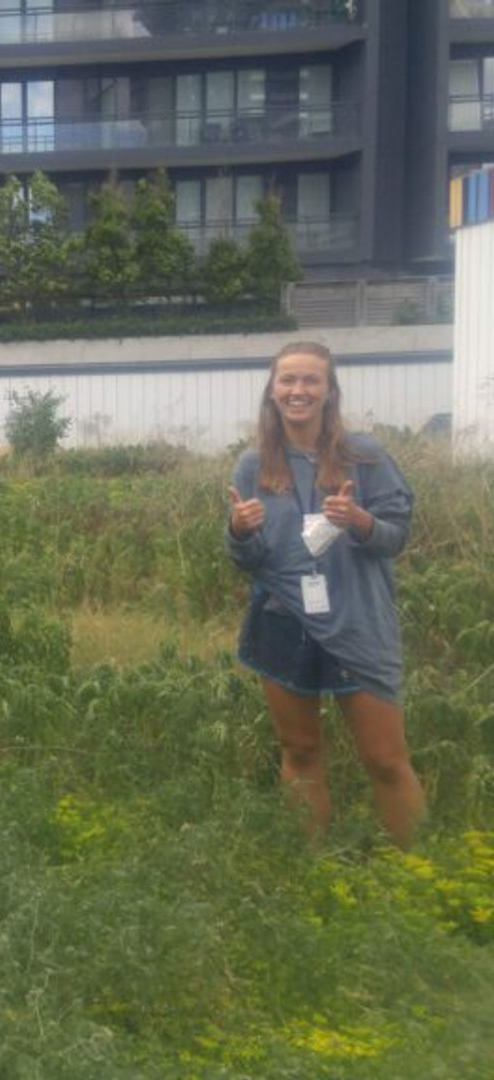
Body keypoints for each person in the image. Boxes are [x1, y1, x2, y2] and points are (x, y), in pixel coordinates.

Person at [227, 341, 423, 848]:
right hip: (283, 621)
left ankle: (420, 875)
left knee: (385, 759)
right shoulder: (253, 465)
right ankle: (310, 872)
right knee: (301, 754)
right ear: (272, 391)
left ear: (329, 392)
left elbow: (396, 537)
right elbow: (247, 560)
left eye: (311, 380)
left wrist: (360, 522)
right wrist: (239, 532)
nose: (298, 390)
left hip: (357, 624)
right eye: (288, 380)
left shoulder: (365, 457)